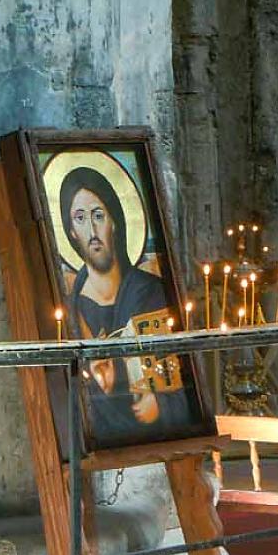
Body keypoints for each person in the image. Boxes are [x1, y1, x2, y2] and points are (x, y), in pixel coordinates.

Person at [59, 166, 193, 448]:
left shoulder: (152, 292)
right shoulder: (70, 308)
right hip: (98, 442)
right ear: (71, 232)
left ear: (114, 221)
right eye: (80, 218)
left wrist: (161, 404)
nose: (92, 231)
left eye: (98, 215)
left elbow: (178, 375)